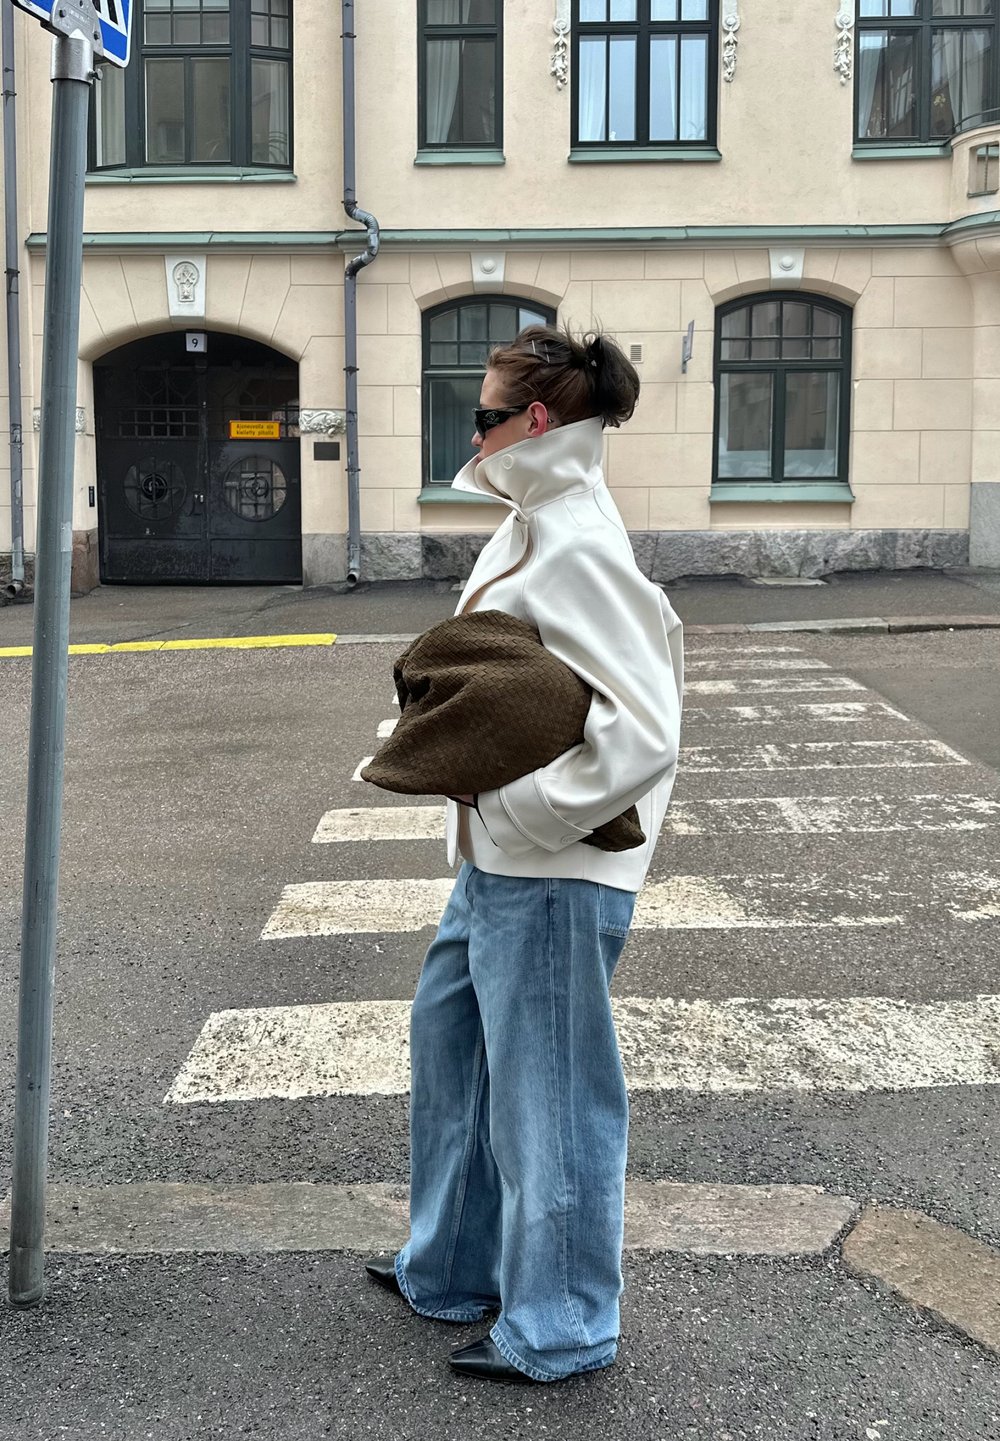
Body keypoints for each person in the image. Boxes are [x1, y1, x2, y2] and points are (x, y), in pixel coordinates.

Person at [365, 325, 684, 1384]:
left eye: (484, 416)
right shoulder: (536, 518)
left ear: (534, 420)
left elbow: (646, 729)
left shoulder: (574, 537)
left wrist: (519, 807)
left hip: (550, 867)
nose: (474, 434)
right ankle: (453, 1265)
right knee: (452, 1044)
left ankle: (561, 1323)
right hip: (502, 860)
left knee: (550, 1096)